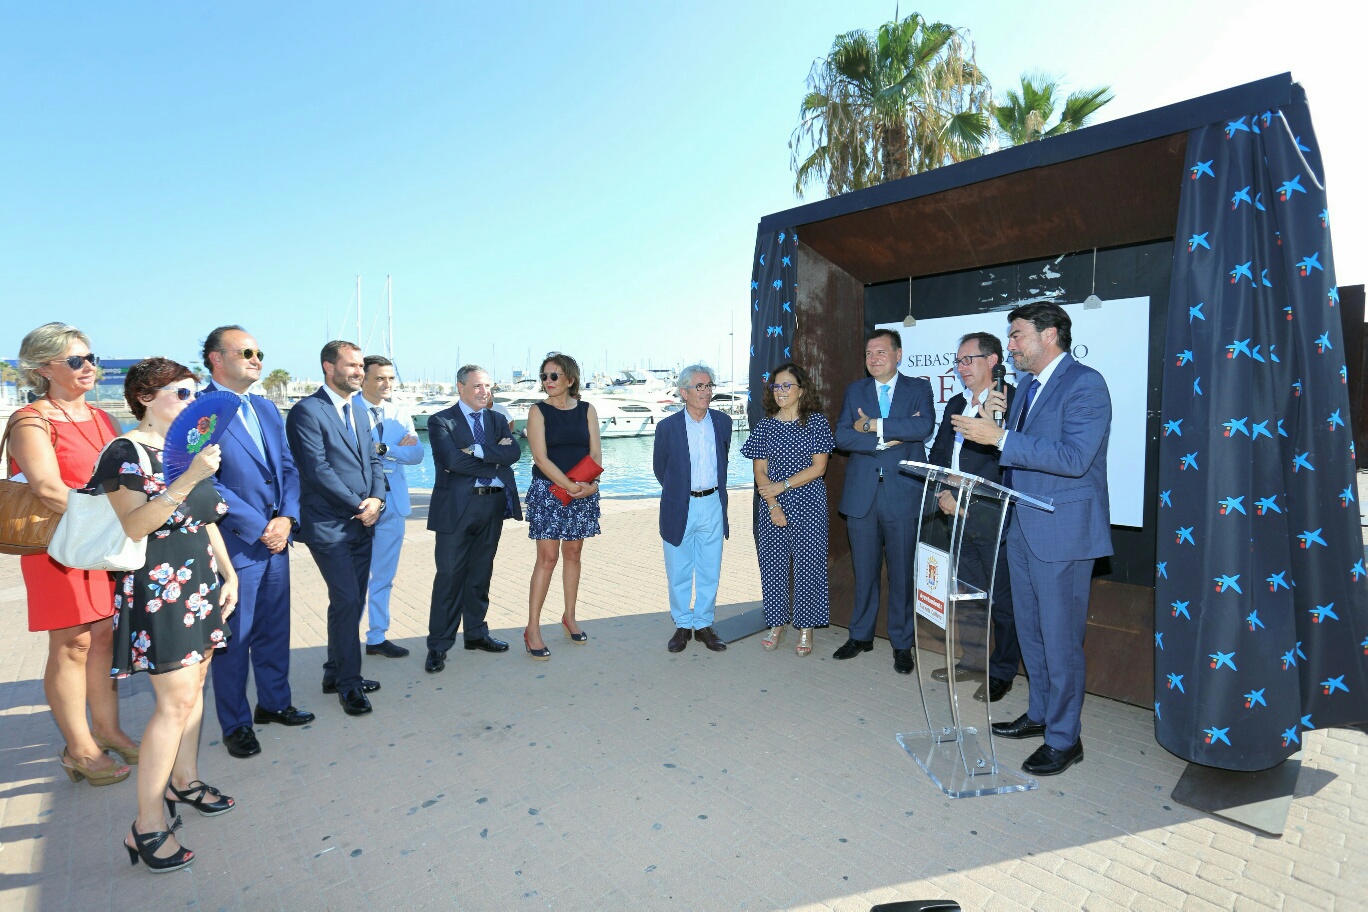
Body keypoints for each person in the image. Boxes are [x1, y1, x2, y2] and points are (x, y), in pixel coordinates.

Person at [952, 302, 1112, 777]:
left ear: (1049, 336)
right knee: (1034, 634)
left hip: (1062, 531)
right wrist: (999, 426)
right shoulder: (1023, 390)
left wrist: (1000, 438)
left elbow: (1074, 457)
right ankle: (1041, 714)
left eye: (1018, 335)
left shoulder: (1086, 383)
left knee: (1060, 640)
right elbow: (1019, 455)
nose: (1012, 346)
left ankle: (1065, 739)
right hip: (1022, 526)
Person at [96, 358, 239, 872]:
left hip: (198, 579)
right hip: (157, 587)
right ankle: (147, 824)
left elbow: (203, 519)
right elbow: (135, 524)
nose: (191, 400)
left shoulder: (189, 449)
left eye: (194, 392)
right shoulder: (125, 452)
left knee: (196, 686)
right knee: (173, 702)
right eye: (182, 392)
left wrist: (229, 572)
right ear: (145, 396)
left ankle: (185, 780)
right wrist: (190, 476)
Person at [6, 322, 137, 785]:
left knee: (102, 636)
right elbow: (45, 487)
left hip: (100, 544)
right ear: (44, 368)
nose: (89, 368)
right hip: (57, 548)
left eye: (91, 358)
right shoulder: (31, 419)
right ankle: (79, 749)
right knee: (71, 644)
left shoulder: (104, 419)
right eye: (76, 361)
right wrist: (111, 519)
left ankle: (108, 730)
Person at [200, 326, 311, 760]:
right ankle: (236, 724)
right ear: (215, 359)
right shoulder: (200, 411)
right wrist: (258, 524)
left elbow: (288, 467)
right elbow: (201, 478)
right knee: (234, 638)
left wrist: (286, 517)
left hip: (276, 540)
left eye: (259, 352)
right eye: (245, 352)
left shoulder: (265, 408)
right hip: (235, 544)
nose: (256, 359)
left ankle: (274, 702)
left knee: (272, 628)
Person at [285, 341, 387, 716]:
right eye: (352, 365)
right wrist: (360, 505)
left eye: (361, 365)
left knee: (351, 602)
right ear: (329, 367)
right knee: (346, 600)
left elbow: (373, 462)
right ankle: (349, 683)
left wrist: (377, 500)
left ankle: (334, 672)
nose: (359, 371)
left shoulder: (358, 411)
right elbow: (316, 470)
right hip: (328, 526)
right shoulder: (306, 412)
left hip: (363, 523)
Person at [926, 332, 1020, 703]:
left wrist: (968, 503)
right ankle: (973, 659)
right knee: (967, 596)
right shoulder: (954, 402)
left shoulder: (1015, 402)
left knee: (1002, 602)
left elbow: (1010, 463)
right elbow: (938, 457)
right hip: (953, 514)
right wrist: (942, 495)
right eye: (959, 361)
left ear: (994, 360)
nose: (962, 368)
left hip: (993, 518)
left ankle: (1002, 671)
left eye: (969, 360)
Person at [833, 329, 934, 673]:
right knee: (864, 571)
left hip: (902, 494)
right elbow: (842, 435)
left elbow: (923, 428)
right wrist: (881, 439)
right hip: (863, 495)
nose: (873, 359)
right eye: (868, 354)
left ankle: (902, 644)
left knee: (903, 573)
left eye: (880, 352)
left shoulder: (918, 388)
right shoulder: (855, 390)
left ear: (898, 354)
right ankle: (860, 635)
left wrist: (873, 425)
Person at [424, 365, 521, 673]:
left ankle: (476, 634)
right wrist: (494, 463)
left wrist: (478, 450)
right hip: (456, 509)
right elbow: (450, 460)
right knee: (450, 577)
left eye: (488, 386)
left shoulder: (496, 420)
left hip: (492, 507)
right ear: (460, 387)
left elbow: (514, 453)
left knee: (480, 574)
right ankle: (439, 645)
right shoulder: (441, 421)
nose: (485, 392)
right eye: (478, 386)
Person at [742, 363, 833, 657]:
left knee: (809, 568)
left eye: (786, 386)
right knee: (773, 568)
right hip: (773, 508)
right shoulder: (764, 426)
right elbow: (760, 472)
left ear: (801, 390)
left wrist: (783, 486)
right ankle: (777, 625)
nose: (780, 391)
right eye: (776, 386)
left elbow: (819, 469)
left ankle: (806, 629)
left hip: (809, 505)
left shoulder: (816, 423)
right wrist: (773, 504)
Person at [523, 353, 602, 659]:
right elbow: (540, 458)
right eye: (543, 376)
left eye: (554, 376)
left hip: (582, 489)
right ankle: (532, 628)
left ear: (570, 380)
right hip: (549, 490)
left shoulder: (587, 410)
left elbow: (595, 452)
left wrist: (590, 485)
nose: (547, 382)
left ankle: (569, 616)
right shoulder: (537, 411)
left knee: (573, 554)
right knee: (547, 559)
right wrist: (569, 486)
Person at [654, 364, 732, 653]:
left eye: (709, 385)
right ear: (684, 392)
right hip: (679, 505)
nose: (706, 391)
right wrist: (679, 492)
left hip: (712, 503)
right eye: (699, 386)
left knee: (710, 567)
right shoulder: (667, 427)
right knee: (679, 569)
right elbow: (660, 468)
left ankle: (703, 624)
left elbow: (722, 460)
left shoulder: (723, 423)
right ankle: (682, 625)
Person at [359, 355, 423, 659]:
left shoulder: (400, 412)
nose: (387, 384)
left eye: (391, 378)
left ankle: (376, 637)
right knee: (354, 578)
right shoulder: (347, 410)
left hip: (394, 504)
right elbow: (354, 454)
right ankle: (346, 640)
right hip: (359, 505)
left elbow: (418, 454)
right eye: (380, 378)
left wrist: (385, 449)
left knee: (384, 576)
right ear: (363, 379)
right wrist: (398, 451)